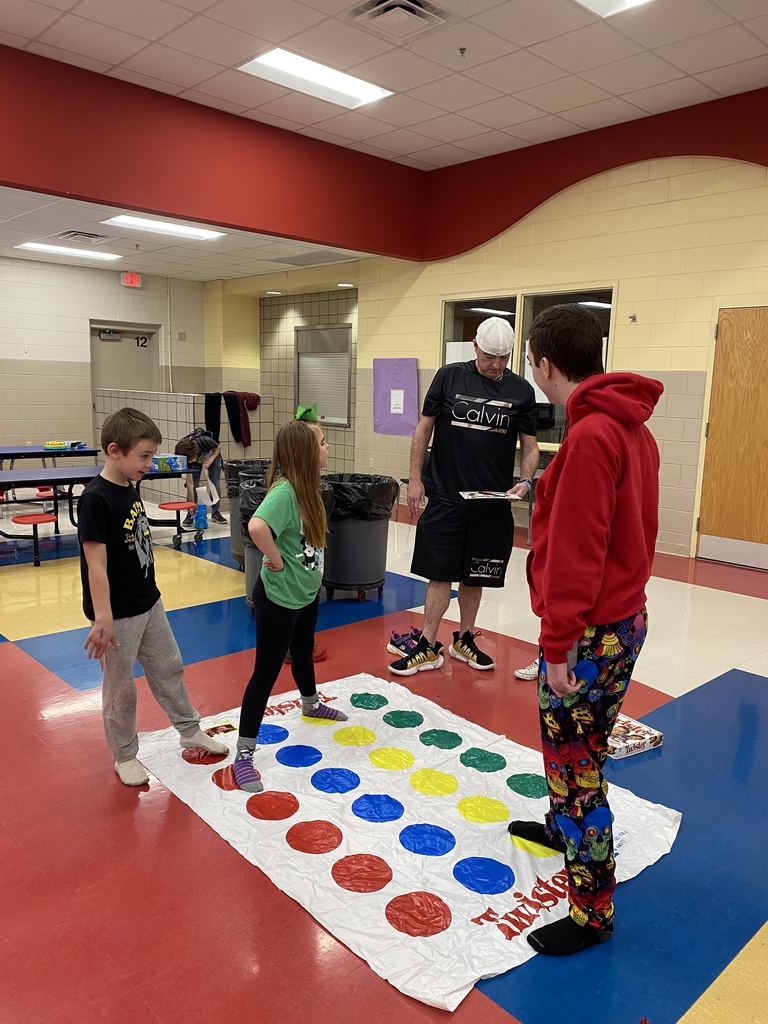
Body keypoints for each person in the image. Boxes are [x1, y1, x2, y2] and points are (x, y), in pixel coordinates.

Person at [507, 304, 663, 956]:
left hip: (590, 632)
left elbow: (578, 552)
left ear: (545, 363)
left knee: (576, 769)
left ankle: (591, 911)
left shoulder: (592, 435)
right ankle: (561, 829)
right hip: (623, 619)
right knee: (581, 751)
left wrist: (557, 644)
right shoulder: (629, 428)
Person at [78, 407, 228, 786]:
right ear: (114, 451)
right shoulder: (95, 499)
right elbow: (95, 564)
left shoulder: (130, 485)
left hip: (149, 601)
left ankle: (189, 729)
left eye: (151, 455)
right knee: (121, 688)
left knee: (169, 667)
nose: (150, 464)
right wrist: (103, 616)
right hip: (118, 614)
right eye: (144, 456)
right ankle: (124, 755)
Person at [390, 316, 539, 675]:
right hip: (445, 495)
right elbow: (423, 429)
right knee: (439, 574)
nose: (496, 364)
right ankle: (427, 645)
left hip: (491, 502)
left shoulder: (521, 390)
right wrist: (415, 479)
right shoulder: (449, 376)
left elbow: (530, 446)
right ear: (475, 347)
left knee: (476, 575)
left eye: (503, 358)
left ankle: (464, 639)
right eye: (489, 356)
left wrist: (526, 481)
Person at [233, 418, 348, 793]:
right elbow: (257, 527)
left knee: (303, 651)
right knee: (265, 673)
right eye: (322, 443)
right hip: (279, 599)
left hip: (305, 594)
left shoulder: (308, 488)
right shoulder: (285, 492)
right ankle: (244, 754)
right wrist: (276, 559)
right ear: (305, 453)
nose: (327, 448)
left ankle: (310, 703)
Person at [174, 427, 227, 525]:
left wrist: (209, 460)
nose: (190, 462)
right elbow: (190, 484)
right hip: (197, 460)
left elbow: (217, 448)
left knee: (215, 483)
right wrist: (191, 505)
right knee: (194, 484)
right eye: (188, 461)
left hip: (212, 456)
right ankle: (190, 513)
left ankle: (215, 512)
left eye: (191, 460)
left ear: (195, 453)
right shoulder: (183, 453)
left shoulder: (205, 441)